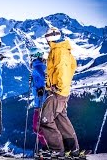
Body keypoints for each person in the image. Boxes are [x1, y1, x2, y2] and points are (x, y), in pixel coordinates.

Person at [39, 27, 80, 159]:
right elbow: (72, 67)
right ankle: (72, 148)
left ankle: (57, 150)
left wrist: (58, 86)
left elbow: (63, 69)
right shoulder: (61, 50)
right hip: (60, 91)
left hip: (57, 92)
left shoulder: (59, 51)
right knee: (61, 119)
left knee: (45, 120)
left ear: (48, 38)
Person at [28, 47, 49, 156]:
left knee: (37, 127)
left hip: (40, 102)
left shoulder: (37, 67)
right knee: (39, 126)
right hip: (41, 101)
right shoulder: (40, 67)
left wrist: (40, 90)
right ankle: (47, 146)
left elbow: (41, 83)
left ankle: (48, 147)